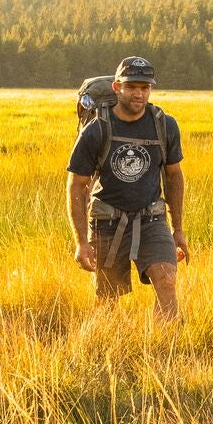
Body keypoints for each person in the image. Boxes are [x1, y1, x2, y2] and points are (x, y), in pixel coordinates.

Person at [66, 55, 189, 320]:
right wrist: (80, 242)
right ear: (116, 87)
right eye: (131, 86)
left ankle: (166, 349)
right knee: (109, 300)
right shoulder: (97, 129)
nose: (139, 94)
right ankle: (106, 348)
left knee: (166, 280)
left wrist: (177, 229)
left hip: (152, 218)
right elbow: (77, 186)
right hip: (107, 220)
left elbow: (174, 177)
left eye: (144, 88)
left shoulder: (164, 125)